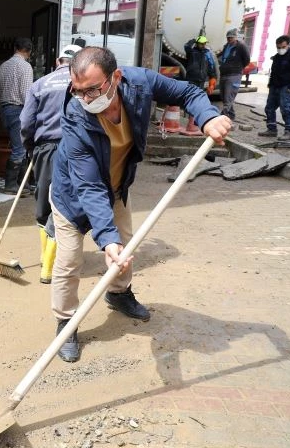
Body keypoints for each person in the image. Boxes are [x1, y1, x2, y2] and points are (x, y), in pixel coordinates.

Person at [49, 47, 232, 363]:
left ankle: (119, 295)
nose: (87, 98)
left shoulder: (140, 83)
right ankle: (66, 323)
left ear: (115, 78)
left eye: (93, 88)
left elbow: (188, 92)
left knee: (127, 245)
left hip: (117, 186)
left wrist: (208, 117)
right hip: (72, 195)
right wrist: (106, 240)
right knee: (69, 262)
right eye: (78, 90)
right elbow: (89, 186)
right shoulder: (75, 116)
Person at [20, 43, 82, 284]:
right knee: (63, 203)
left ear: (58, 60)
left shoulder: (40, 84)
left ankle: (46, 258)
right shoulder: (82, 84)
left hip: (45, 148)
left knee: (43, 201)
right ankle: (48, 267)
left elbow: (26, 122)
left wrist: (30, 147)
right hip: (74, 148)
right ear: (78, 63)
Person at [0, 37, 34, 193]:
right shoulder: (25, 67)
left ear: (15, 48)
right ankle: (10, 185)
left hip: (6, 109)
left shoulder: (2, 67)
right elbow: (26, 95)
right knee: (20, 148)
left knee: (21, 147)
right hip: (19, 110)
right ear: (29, 52)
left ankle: (22, 184)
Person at [258, 35, 290, 142]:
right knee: (269, 108)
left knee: (286, 108)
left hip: (286, 87)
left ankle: (289, 132)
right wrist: (270, 84)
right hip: (275, 86)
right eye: (278, 47)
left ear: (288, 45)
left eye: (283, 47)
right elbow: (273, 71)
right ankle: (272, 129)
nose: (280, 49)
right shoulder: (277, 57)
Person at [218, 28, 251, 120]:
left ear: (235, 37)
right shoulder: (226, 46)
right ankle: (231, 114)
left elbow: (247, 59)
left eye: (231, 38)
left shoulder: (241, 46)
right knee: (224, 96)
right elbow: (221, 56)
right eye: (228, 38)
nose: (229, 39)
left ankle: (223, 115)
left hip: (234, 74)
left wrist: (238, 67)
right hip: (224, 74)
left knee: (229, 96)